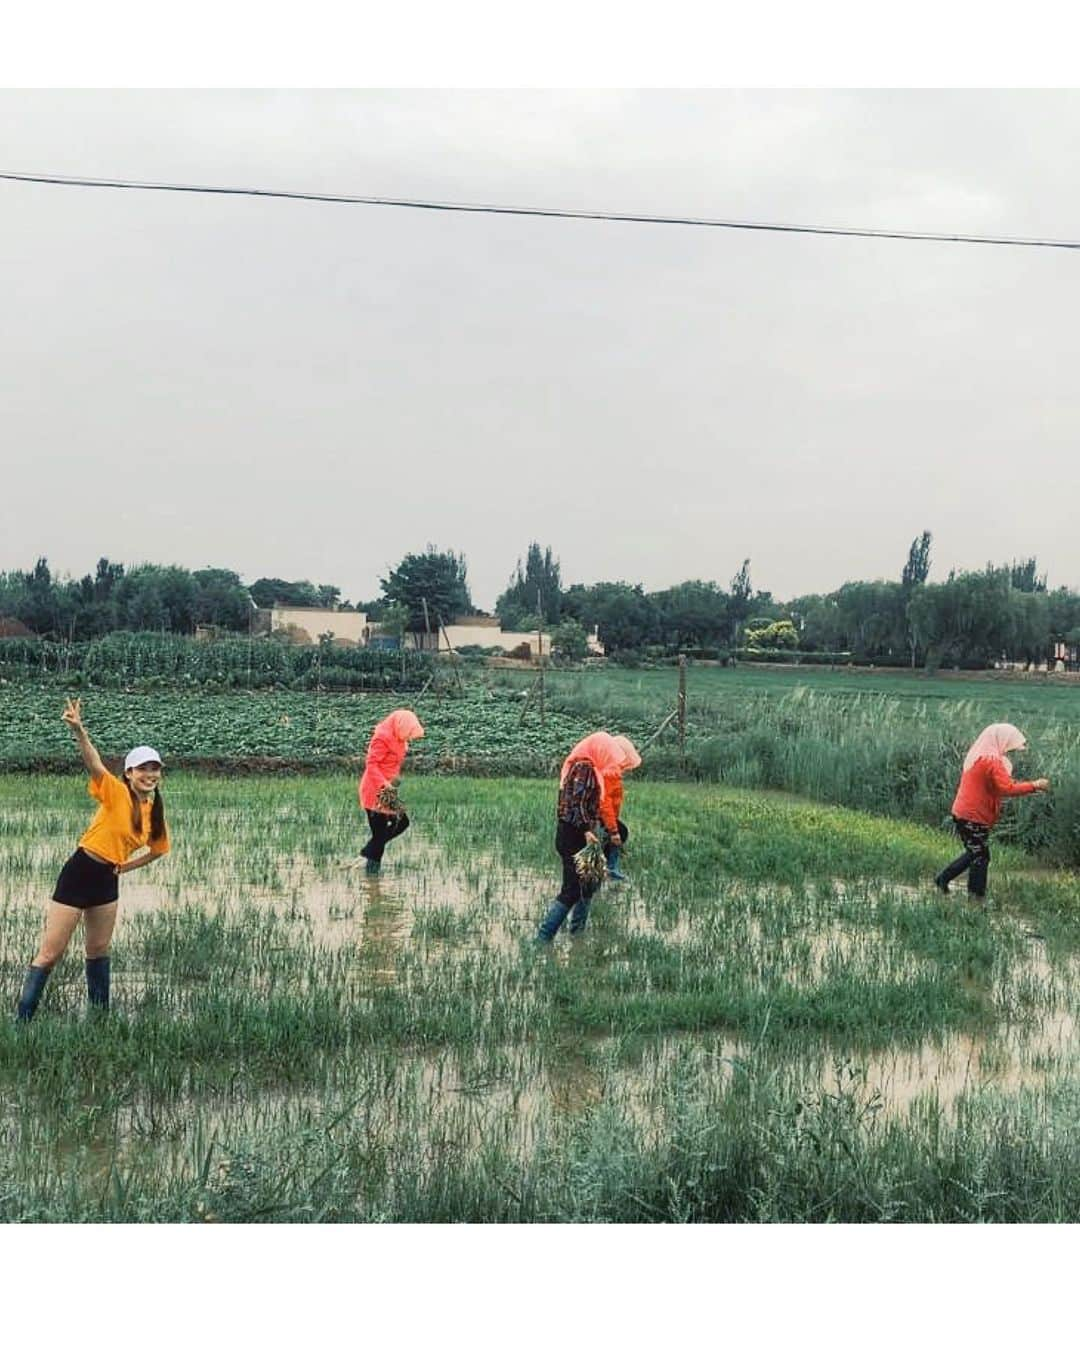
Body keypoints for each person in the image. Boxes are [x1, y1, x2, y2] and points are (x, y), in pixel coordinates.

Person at [16, 698, 170, 1022]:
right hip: (80, 872)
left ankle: (99, 1019)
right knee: (51, 953)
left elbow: (157, 851)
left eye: (155, 769)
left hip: (106, 880)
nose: (150, 774)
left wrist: (125, 867)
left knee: (98, 950)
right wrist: (79, 731)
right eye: (143, 769)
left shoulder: (154, 813)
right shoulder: (116, 792)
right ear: (129, 773)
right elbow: (95, 764)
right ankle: (22, 1021)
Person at [934, 723, 1050, 901]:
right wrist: (1034, 785)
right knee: (980, 856)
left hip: (964, 814)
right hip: (972, 817)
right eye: (1010, 747)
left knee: (975, 852)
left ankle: (943, 879)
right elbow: (1007, 788)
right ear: (1001, 741)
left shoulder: (980, 755)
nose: (1009, 752)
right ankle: (976, 898)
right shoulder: (991, 761)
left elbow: (996, 787)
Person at [536, 731, 624, 942]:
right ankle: (542, 939)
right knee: (572, 890)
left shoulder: (592, 769)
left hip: (581, 834)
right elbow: (576, 802)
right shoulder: (584, 768)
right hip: (571, 836)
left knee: (588, 885)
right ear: (599, 751)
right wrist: (586, 829)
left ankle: (577, 935)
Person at [358, 708, 424, 876]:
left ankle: (370, 849)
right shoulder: (381, 738)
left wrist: (394, 779)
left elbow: (391, 762)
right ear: (400, 727)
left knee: (402, 822)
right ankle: (372, 880)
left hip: (388, 791)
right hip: (375, 791)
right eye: (408, 734)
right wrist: (384, 784)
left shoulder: (398, 736)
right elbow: (371, 765)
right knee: (380, 835)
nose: (409, 738)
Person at [602, 734, 642, 881]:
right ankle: (607, 868)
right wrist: (613, 829)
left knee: (620, 833)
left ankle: (609, 866)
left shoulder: (611, 771)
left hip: (607, 815)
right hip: (601, 815)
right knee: (616, 835)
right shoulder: (609, 773)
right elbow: (604, 803)